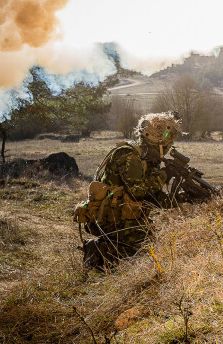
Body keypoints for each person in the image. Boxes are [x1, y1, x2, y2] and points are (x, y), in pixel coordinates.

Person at [75, 112, 181, 270]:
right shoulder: (128, 155)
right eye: (167, 144)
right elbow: (137, 191)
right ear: (158, 143)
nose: (168, 148)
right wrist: (164, 174)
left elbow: (152, 197)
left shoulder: (148, 161)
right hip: (106, 220)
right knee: (144, 247)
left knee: (156, 242)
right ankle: (97, 250)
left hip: (127, 218)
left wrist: (183, 198)